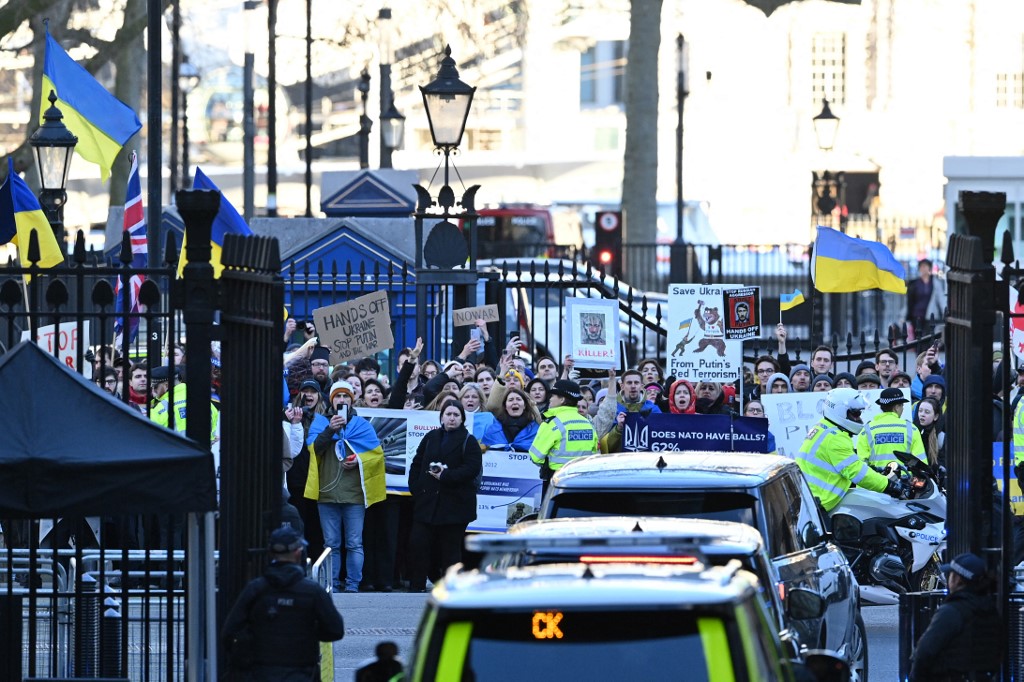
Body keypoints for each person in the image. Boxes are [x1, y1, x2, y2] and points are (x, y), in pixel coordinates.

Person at [221, 525, 345, 681]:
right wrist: (309, 633)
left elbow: (229, 632)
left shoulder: (256, 589)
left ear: (271, 553)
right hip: (301, 673)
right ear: (298, 553)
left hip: (260, 673)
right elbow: (335, 630)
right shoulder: (312, 592)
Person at [305, 380, 386, 593]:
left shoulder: (362, 425)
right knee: (330, 544)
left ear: (352, 400)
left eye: (346, 397)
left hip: (355, 495)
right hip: (326, 494)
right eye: (338, 397)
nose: (342, 400)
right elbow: (313, 449)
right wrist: (330, 430)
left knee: (354, 543)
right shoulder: (321, 422)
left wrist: (359, 460)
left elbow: (376, 456)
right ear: (332, 401)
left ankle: (352, 585)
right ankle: (331, 585)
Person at [407, 400, 482, 592]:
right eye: (448, 414)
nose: (452, 418)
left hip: (455, 506)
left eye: (456, 415)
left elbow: (471, 469)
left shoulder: (469, 440)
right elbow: (417, 462)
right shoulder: (431, 436)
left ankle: (451, 588)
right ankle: (417, 585)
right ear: (441, 417)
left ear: (462, 419)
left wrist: (445, 475)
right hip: (427, 503)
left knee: (450, 551)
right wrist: (415, 487)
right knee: (419, 546)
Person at [795, 387, 904, 513]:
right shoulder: (835, 438)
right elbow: (857, 473)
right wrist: (890, 486)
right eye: (855, 414)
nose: (858, 419)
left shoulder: (825, 427)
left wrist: (875, 471)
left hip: (809, 500)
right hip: (816, 505)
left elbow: (848, 463)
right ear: (840, 411)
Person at [908, 553, 1001, 681]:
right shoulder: (991, 610)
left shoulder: (952, 611)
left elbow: (924, 653)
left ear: (958, 580)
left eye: (951, 574)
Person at [529, 380, 598, 493]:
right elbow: (594, 453)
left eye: (553, 395)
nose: (550, 399)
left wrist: (550, 462)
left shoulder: (552, 423)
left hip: (557, 481)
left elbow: (535, 456)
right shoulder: (587, 424)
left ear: (562, 399)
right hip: (583, 481)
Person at [856, 387, 926, 467]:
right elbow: (921, 463)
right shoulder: (911, 429)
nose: (902, 409)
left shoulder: (867, 430)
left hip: (876, 478)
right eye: (902, 406)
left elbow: (861, 463)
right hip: (905, 478)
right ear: (896, 407)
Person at [481, 387, 542, 452]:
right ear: (505, 406)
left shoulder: (536, 431)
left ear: (524, 406)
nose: (515, 402)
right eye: (510, 400)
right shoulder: (493, 431)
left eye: (518, 399)